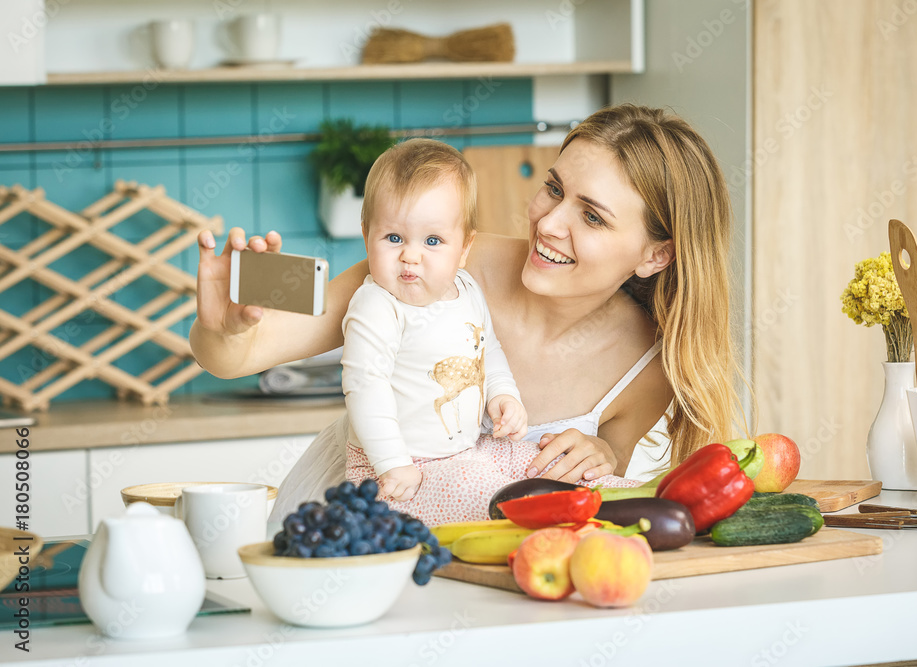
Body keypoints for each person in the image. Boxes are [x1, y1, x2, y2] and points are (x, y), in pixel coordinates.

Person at [191, 104, 748, 522]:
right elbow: (234, 358)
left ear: (656, 254)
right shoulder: (439, 258)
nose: (550, 223)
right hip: (345, 538)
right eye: (553, 188)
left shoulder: (647, 368)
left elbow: (602, 472)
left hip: (476, 581)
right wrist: (224, 328)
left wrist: (601, 453)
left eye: (593, 217)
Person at [339, 138, 528, 505]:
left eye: (433, 240)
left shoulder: (468, 289)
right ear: (367, 236)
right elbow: (364, 388)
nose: (410, 255)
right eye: (394, 238)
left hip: (464, 452)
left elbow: (488, 349)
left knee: (537, 463)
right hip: (397, 469)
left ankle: (603, 500)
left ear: (464, 248)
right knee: (488, 496)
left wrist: (503, 394)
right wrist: (392, 463)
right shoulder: (377, 306)